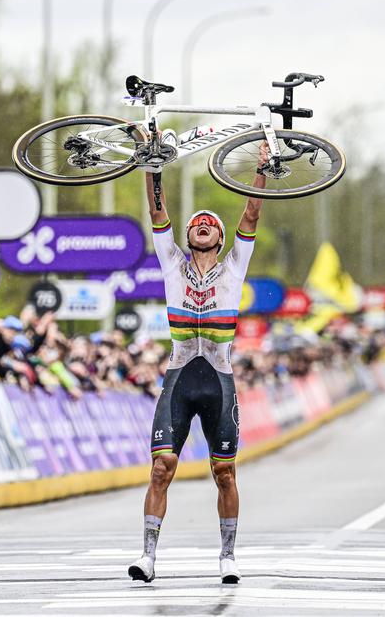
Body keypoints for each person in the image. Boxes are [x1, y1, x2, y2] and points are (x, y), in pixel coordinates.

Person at [127, 143, 270, 586]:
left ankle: (228, 557)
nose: (204, 224)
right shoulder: (172, 263)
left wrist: (262, 168)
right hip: (180, 376)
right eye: (197, 223)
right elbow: (158, 214)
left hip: (220, 380)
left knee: (223, 472)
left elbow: (250, 216)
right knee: (160, 468)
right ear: (188, 237)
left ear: (221, 238)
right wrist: (153, 171)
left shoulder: (233, 268)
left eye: (211, 223)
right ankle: (148, 556)